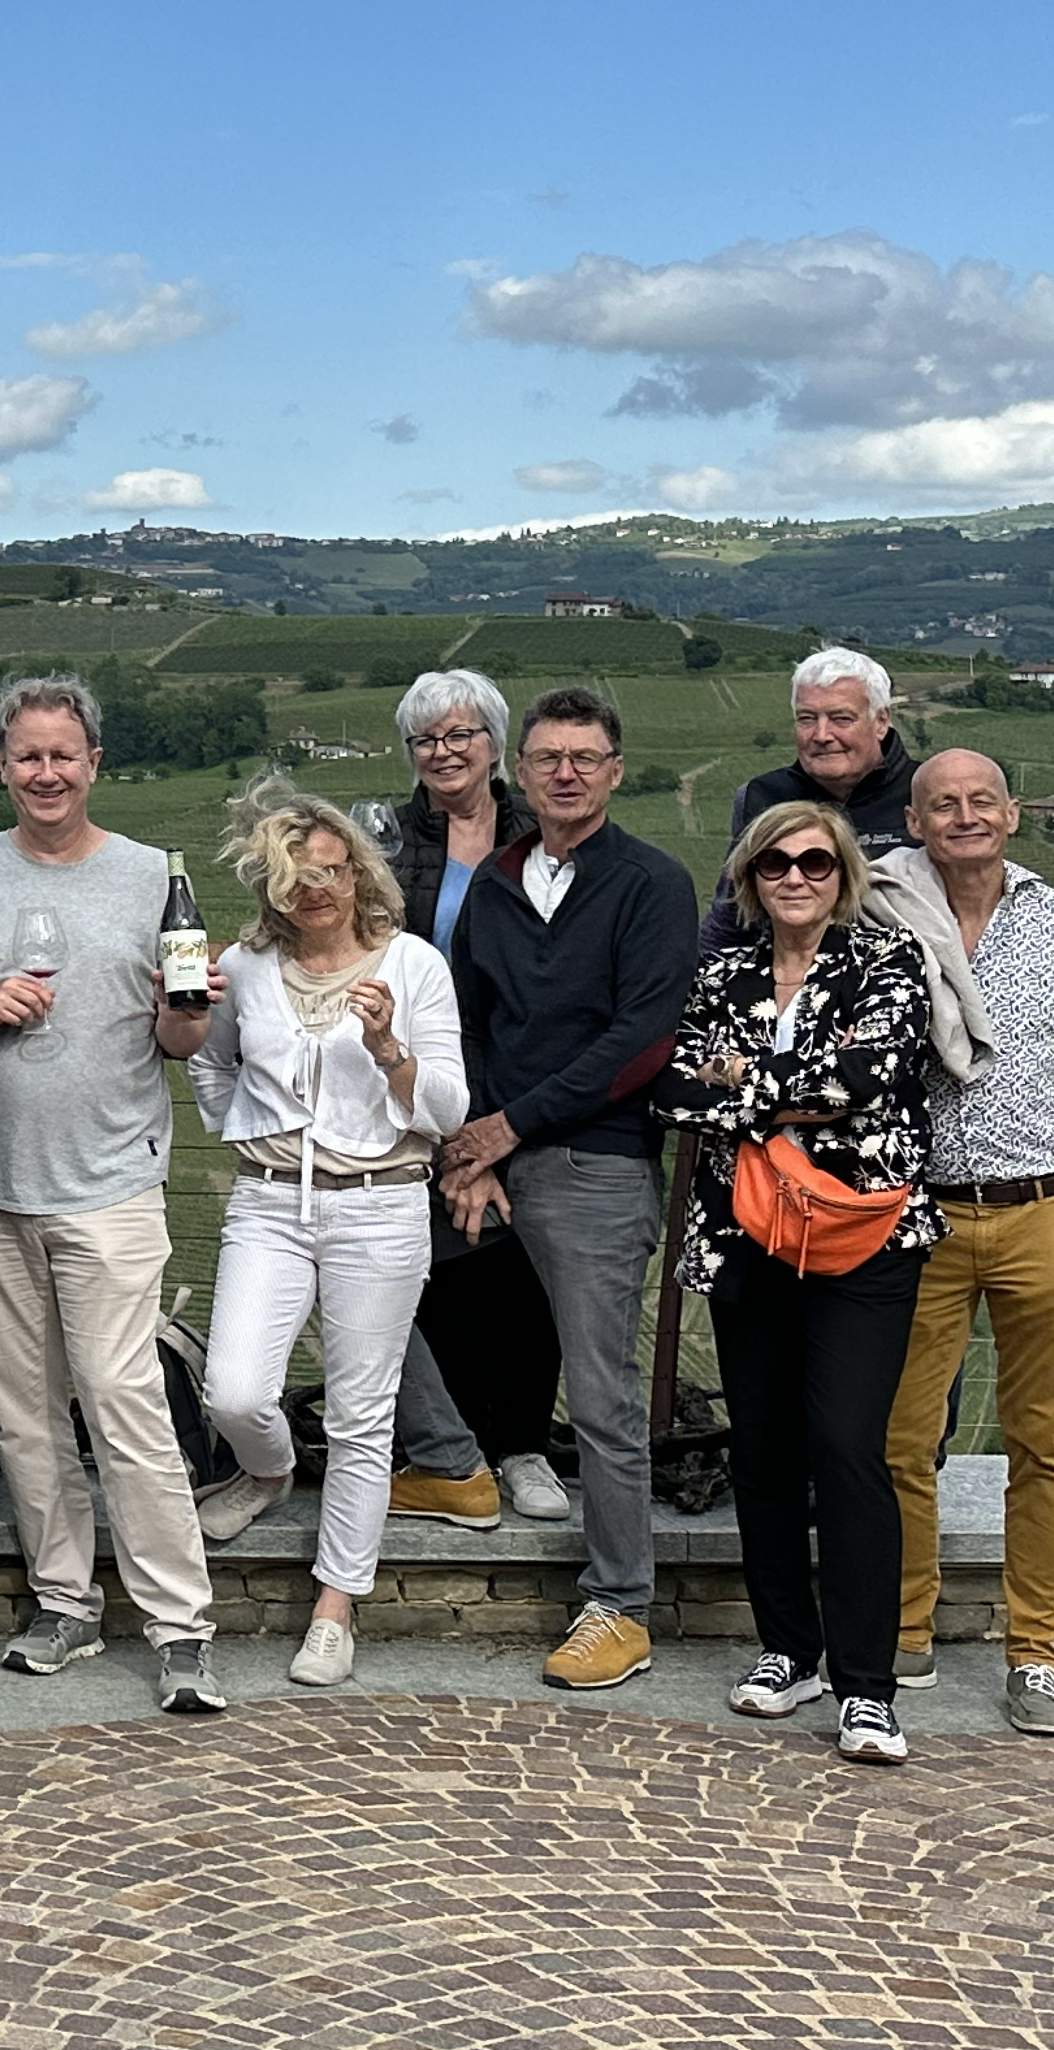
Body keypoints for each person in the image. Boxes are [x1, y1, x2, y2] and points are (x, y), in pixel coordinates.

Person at [0, 675, 226, 1715]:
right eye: (27, 755)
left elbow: (180, 1039)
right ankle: (64, 1603)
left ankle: (181, 1624)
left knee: (124, 1401)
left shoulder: (151, 878)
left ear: (94, 762)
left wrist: (190, 1012)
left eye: (64, 754)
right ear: (1, 766)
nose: (45, 772)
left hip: (108, 1184)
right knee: (24, 1413)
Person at [877, 750, 1054, 1737]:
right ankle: (904, 1626)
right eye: (942, 802)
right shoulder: (884, 920)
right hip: (926, 1218)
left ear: (1012, 813)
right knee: (901, 1440)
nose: (963, 816)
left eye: (980, 799)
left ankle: (1036, 1649)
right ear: (915, 820)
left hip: (1051, 1213)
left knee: (1047, 1445)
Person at [666, 799, 938, 1765]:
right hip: (748, 1237)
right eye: (774, 862)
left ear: (842, 874)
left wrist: (740, 1089)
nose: (794, 877)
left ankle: (868, 1685)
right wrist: (771, 1092)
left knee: (847, 1449)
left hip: (863, 1240)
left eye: (814, 862)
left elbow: (864, 1077)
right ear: (748, 877)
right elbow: (674, 1089)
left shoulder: (887, 962)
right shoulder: (719, 971)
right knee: (766, 1450)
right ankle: (789, 1647)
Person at [439, 683, 697, 1695]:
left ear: (615, 770)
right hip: (494, 1158)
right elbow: (469, 1024)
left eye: (586, 756)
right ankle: (443, 1461)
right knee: (370, 1276)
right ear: (521, 771)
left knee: (598, 1392)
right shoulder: (495, 886)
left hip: (595, 1161)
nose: (567, 772)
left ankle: (620, 1603)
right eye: (548, 757)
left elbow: (644, 1039)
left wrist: (513, 1126)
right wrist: (480, 1149)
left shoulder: (650, 883)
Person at [189, 788, 467, 1690]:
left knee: (362, 1414)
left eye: (328, 871)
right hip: (269, 1199)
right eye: (292, 876)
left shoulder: (413, 966)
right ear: (268, 887)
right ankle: (266, 1468)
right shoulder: (245, 966)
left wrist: (389, 1048)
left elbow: (449, 1108)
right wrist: (238, 1122)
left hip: (380, 1202)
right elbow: (208, 1055)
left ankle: (335, 1602)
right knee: (233, 1390)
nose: (314, 890)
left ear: (357, 872)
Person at [369, 668, 565, 1534]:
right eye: (425, 739)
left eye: (461, 735)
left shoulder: (545, 835)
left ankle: (521, 1444)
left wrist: (492, 1129)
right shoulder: (380, 838)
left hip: (523, 1078)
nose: (443, 752)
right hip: (412, 1077)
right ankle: (455, 1452)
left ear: (496, 744)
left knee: (520, 1269)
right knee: (436, 1269)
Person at [700, 647, 920, 949]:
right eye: (807, 719)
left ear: (881, 721)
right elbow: (732, 916)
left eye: (841, 719)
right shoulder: (762, 797)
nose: (822, 735)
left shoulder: (925, 793)